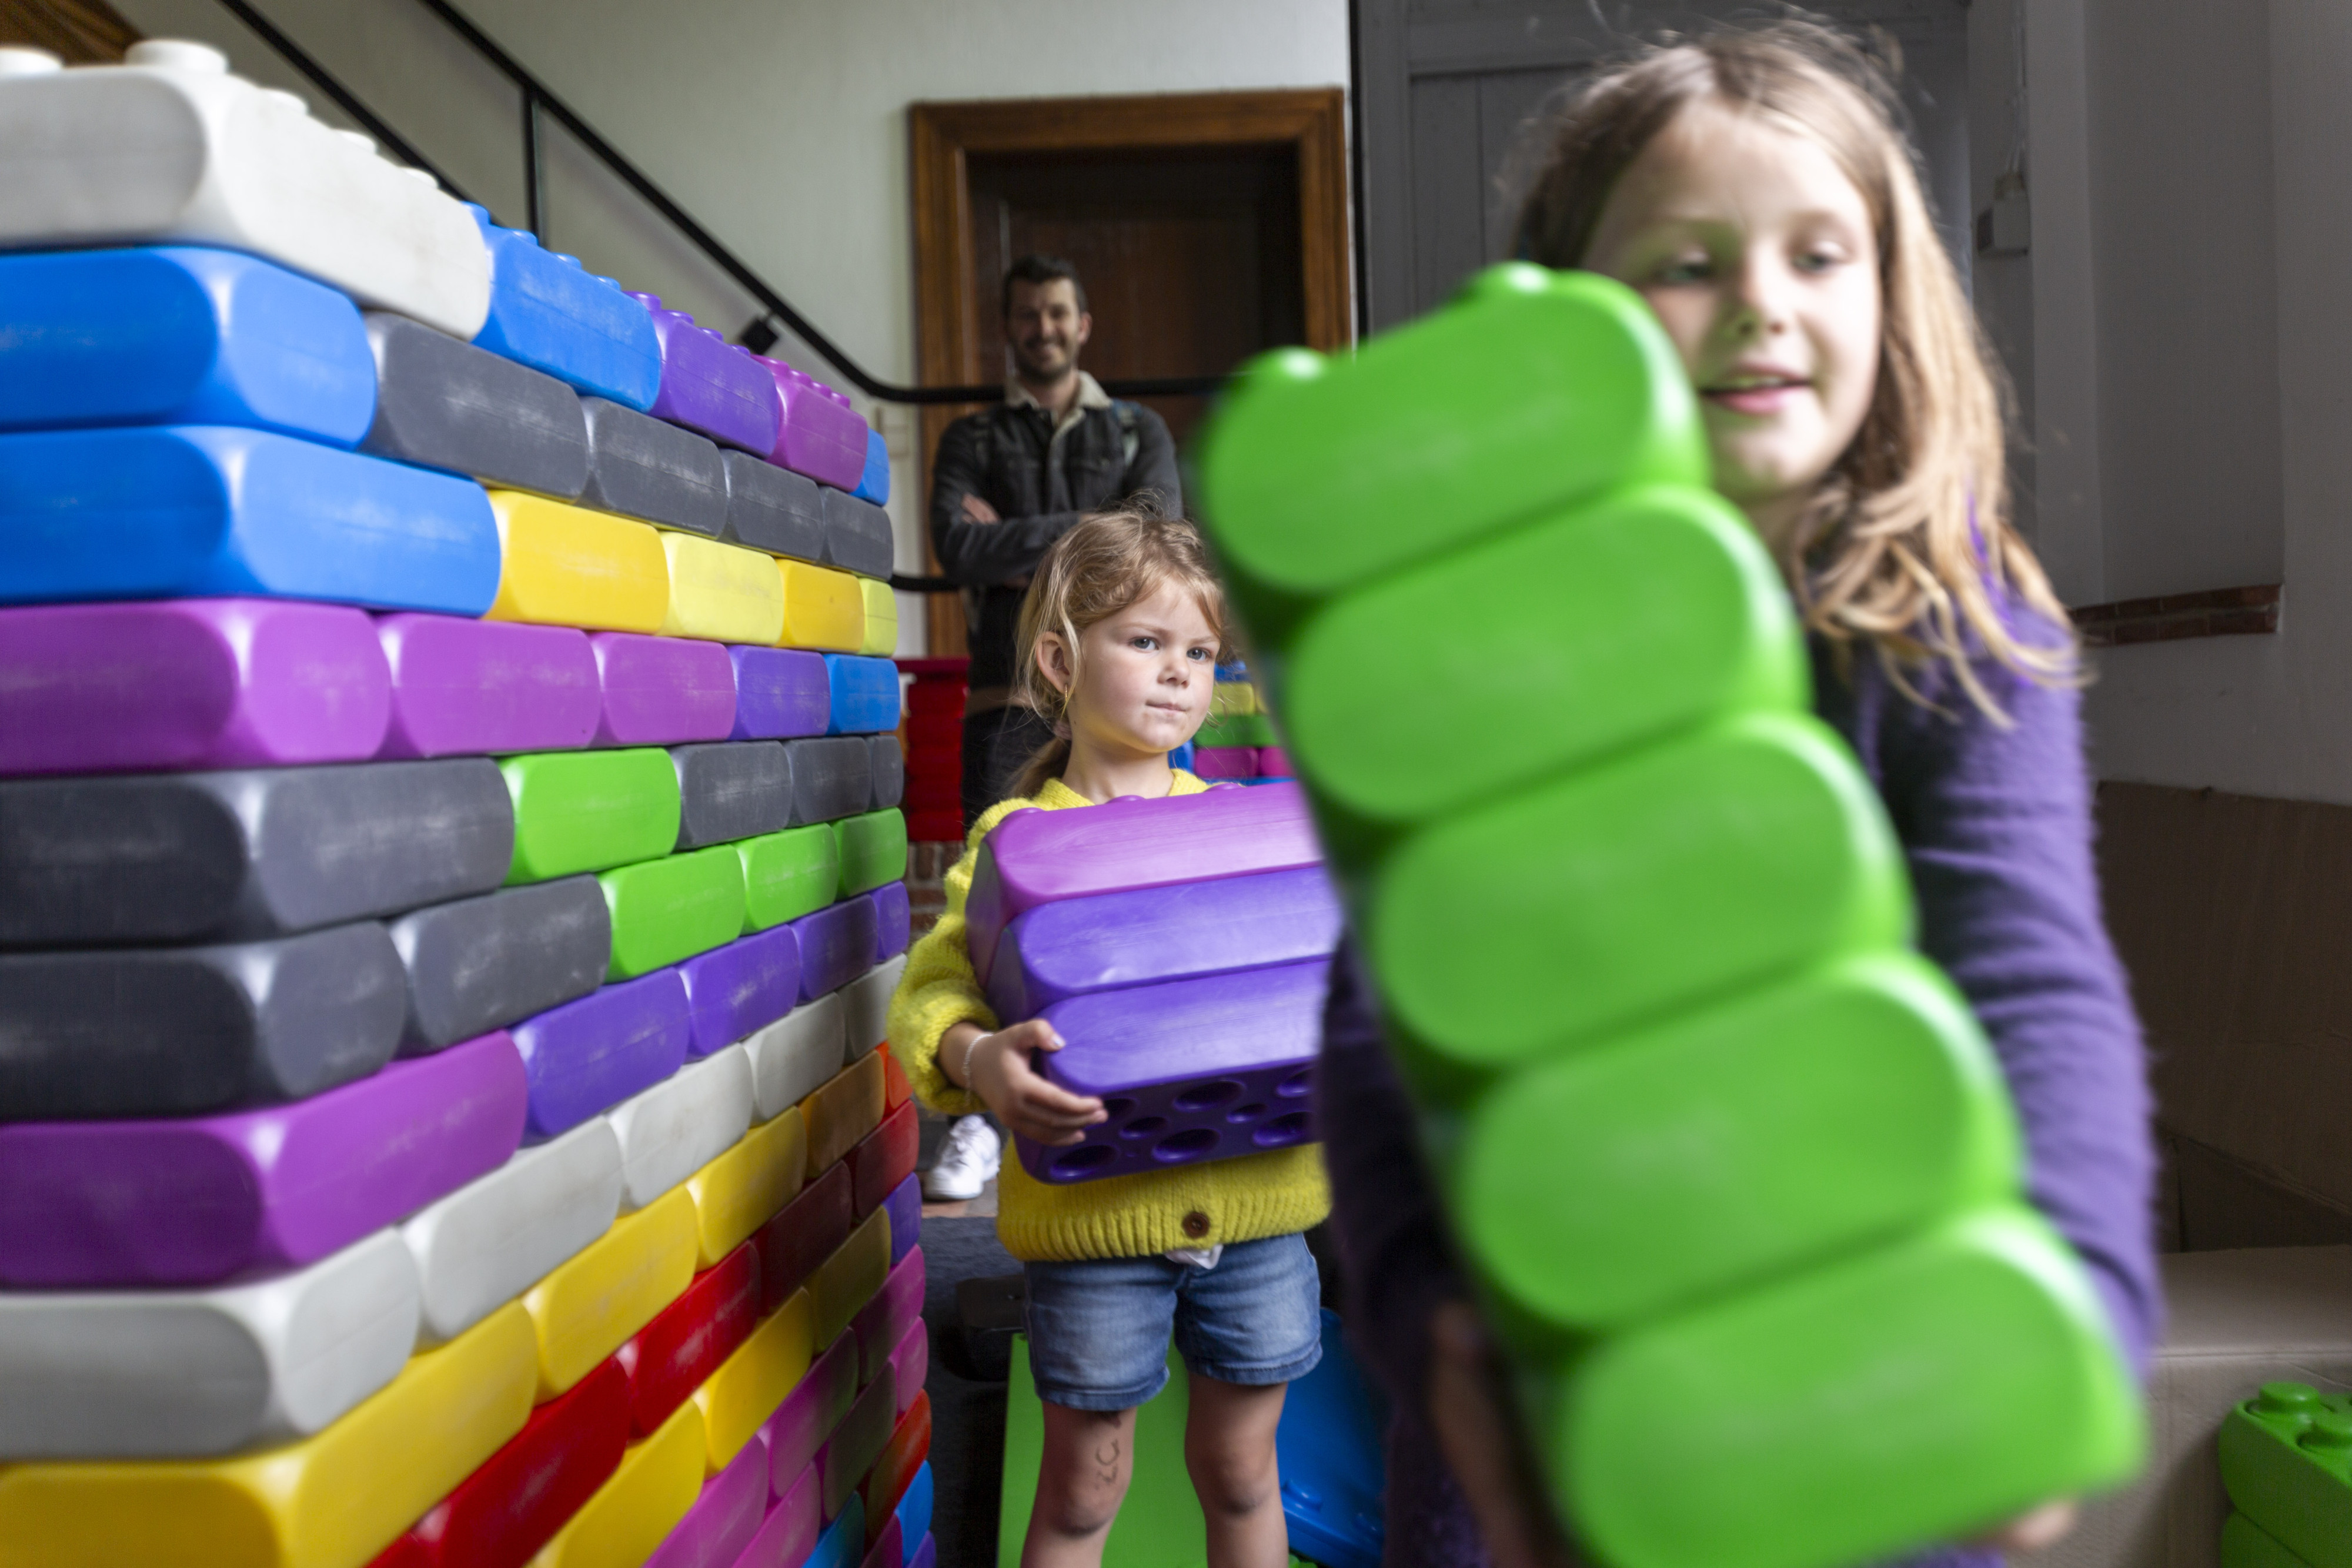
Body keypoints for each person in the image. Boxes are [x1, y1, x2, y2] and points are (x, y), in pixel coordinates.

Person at [1314, 21, 2159, 1568]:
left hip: (1864, 1380)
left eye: (1819, 254)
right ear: (1570, 324)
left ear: (1890, 295)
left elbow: (2033, 974)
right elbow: (1387, 1011)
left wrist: (2075, 1297)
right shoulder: (1489, 648)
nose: (1761, 303)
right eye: (1685, 265)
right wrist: (1434, 1313)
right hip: (1548, 1390)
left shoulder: (1950, 630)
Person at [888, 510, 1329, 1568]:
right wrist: (981, 1061)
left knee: (1243, 1472)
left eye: (1199, 652)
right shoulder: (1014, 844)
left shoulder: (1244, 829)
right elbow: (931, 991)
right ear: (1058, 657)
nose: (1179, 675)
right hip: (1098, 1233)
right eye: (1145, 641)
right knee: (1086, 1489)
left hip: (1262, 1217)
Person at [923, 255, 1183, 1203]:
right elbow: (956, 545)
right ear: (1010, 328)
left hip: (1126, 714)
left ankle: (1133, 1089)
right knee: (997, 911)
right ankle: (982, 1120)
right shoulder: (972, 434)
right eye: (1027, 315)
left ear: (1085, 324)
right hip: (1005, 700)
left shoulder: (1137, 428)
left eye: (1058, 313)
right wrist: (1091, 530)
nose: (1044, 328)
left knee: (1135, 900)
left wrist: (1025, 537)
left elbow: (1157, 533)